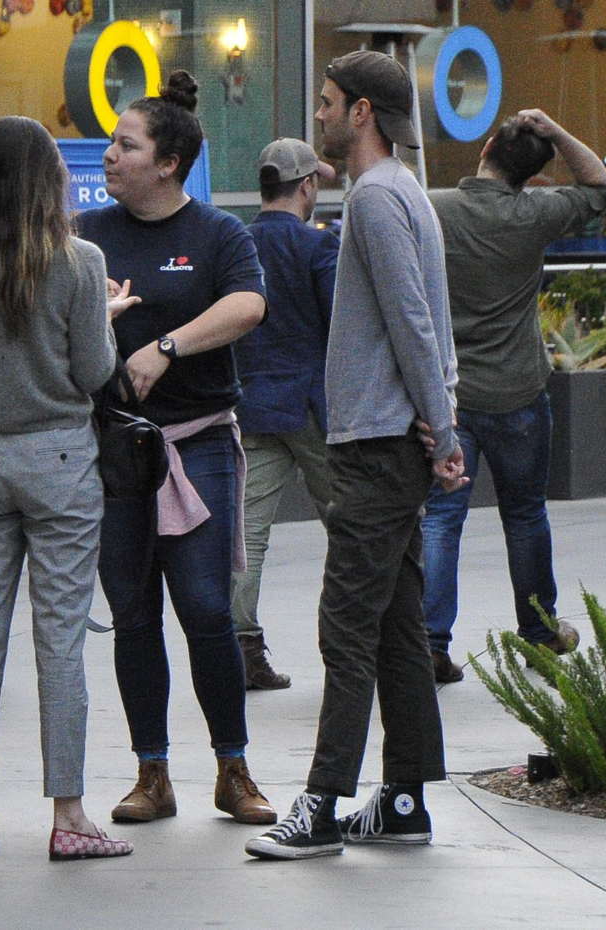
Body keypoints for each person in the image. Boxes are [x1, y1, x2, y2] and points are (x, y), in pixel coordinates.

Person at [245, 50, 465, 860]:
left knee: (346, 627)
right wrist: (440, 425)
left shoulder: (374, 199)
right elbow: (433, 322)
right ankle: (403, 798)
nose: (321, 117)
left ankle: (323, 804)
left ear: (365, 112)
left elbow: (412, 318)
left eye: (331, 103)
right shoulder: (404, 192)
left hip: (378, 444)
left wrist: (441, 433)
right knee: (399, 628)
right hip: (390, 437)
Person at [0, 115, 136, 861]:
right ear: (51, 179)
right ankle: (69, 816)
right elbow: (92, 372)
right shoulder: (80, 260)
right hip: (59, 466)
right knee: (60, 642)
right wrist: (103, 319)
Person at [78, 70, 277, 827]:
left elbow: (249, 304)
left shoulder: (217, 235)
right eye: (112, 145)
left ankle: (234, 768)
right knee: (133, 613)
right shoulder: (87, 236)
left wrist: (167, 344)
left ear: (167, 163)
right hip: (117, 454)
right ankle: (151, 774)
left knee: (204, 607)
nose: (111, 156)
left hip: (199, 447)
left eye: (126, 146)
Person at [421, 110, 606, 683]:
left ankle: (430, 641)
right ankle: (538, 632)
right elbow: (600, 188)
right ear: (532, 174)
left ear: (485, 147)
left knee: (440, 519)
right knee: (526, 514)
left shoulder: (434, 209)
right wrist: (556, 129)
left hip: (450, 395)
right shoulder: (535, 213)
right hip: (518, 391)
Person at [229, 137, 338, 690]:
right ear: (306, 186)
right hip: (313, 407)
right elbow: (342, 329)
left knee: (248, 535)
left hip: (253, 407)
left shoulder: (238, 244)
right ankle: (345, 648)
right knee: (346, 527)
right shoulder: (320, 248)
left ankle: (243, 650)